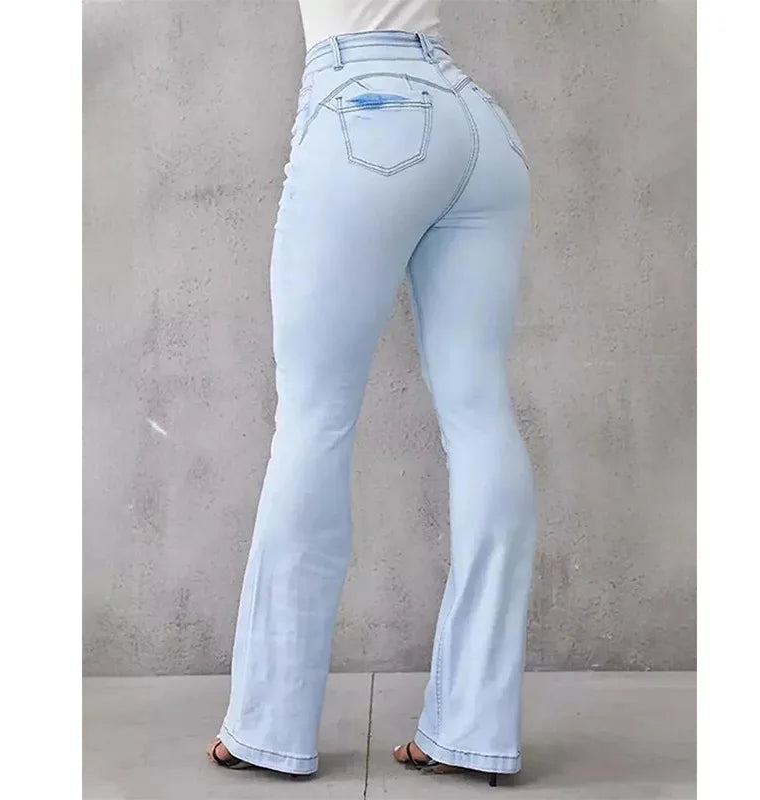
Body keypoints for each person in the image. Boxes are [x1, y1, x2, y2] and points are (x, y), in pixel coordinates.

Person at [207, 0, 537, 787]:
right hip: (478, 125)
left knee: (314, 419)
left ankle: (268, 728)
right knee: (481, 413)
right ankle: (473, 731)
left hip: (367, 106)